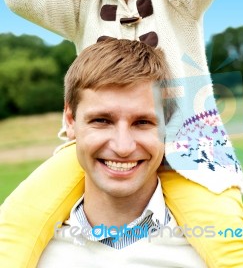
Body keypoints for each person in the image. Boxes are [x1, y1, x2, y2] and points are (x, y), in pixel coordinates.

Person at [1, 0, 243, 267]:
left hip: (188, 147)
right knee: (17, 223)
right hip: (100, 145)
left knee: (224, 239)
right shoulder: (80, 1)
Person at [37, 38, 210, 267]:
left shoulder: (215, 250)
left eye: (142, 122)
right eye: (101, 120)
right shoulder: (32, 253)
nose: (123, 147)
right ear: (70, 121)